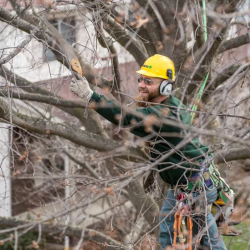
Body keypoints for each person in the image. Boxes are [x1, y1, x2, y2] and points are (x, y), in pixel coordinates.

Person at [70, 54, 227, 250]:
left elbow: (126, 118)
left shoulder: (165, 115)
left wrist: (90, 96)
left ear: (165, 87)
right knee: (168, 235)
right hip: (182, 186)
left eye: (148, 81)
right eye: (141, 79)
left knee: (209, 244)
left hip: (195, 188)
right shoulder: (165, 106)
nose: (141, 85)